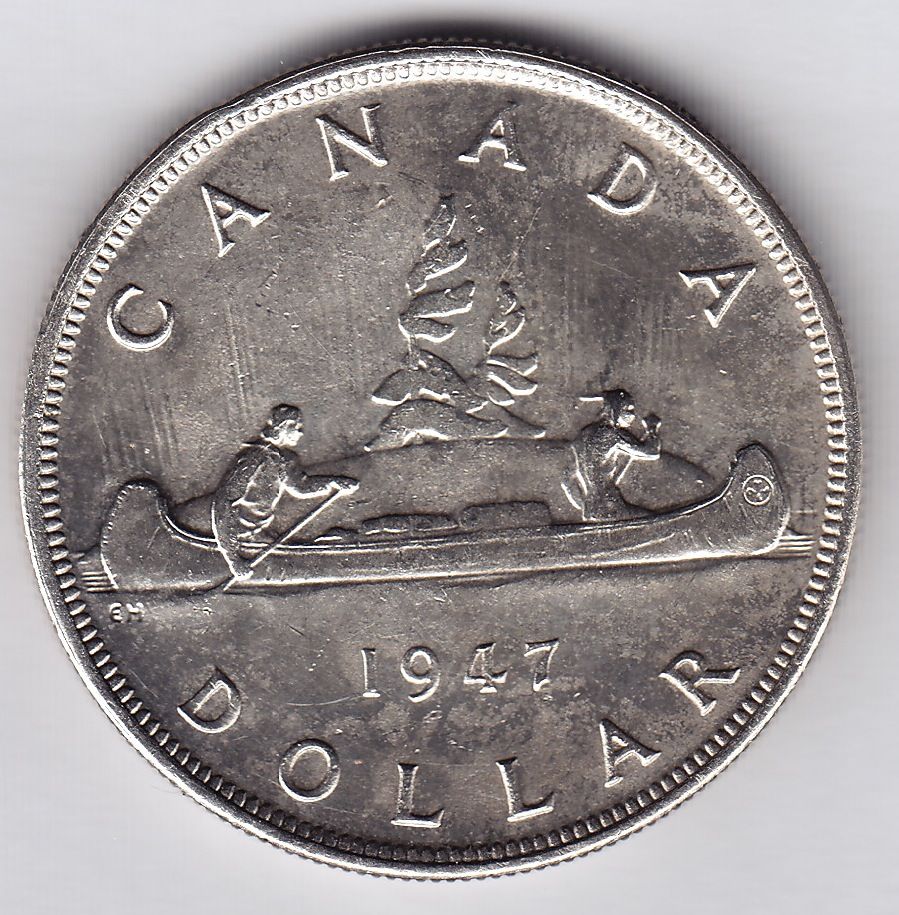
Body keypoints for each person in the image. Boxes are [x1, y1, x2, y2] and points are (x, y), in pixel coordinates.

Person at [211, 405, 357, 580]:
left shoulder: (284, 458)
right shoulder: (254, 457)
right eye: (296, 426)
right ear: (282, 427)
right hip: (237, 536)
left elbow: (301, 487)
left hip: (261, 532)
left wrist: (334, 482)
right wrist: (233, 559)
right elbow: (224, 503)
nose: (301, 433)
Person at [565, 389, 661, 521]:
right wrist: (652, 428)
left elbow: (567, 480)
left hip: (592, 508)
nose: (633, 416)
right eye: (628, 410)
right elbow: (651, 451)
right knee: (653, 521)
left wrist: (585, 506)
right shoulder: (612, 434)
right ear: (615, 409)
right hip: (610, 505)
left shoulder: (582, 435)